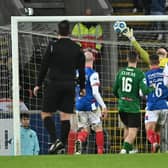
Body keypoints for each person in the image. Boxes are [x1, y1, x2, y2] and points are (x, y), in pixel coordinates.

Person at [33, 20, 86, 154]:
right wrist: (82, 86)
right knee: (65, 116)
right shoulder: (77, 47)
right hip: (69, 85)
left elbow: (44, 66)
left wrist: (38, 84)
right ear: (69, 32)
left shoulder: (52, 46)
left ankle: (55, 140)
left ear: (58, 31)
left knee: (45, 113)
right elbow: (82, 69)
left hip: (54, 83)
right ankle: (61, 145)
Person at [113, 52, 154, 154]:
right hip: (133, 107)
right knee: (133, 131)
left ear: (127, 59)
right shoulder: (140, 74)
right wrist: (152, 88)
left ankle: (129, 149)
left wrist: (121, 98)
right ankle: (124, 149)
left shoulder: (120, 72)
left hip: (122, 107)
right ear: (138, 60)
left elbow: (114, 90)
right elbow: (144, 91)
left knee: (127, 127)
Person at [74, 51, 107, 155]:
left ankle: (79, 142)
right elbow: (95, 92)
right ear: (93, 59)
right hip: (91, 105)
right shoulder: (93, 74)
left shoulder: (76, 72)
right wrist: (103, 106)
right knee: (98, 128)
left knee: (85, 130)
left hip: (79, 105)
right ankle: (100, 151)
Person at [145, 54, 168, 153]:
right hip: (164, 106)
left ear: (150, 63)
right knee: (157, 131)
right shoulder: (164, 73)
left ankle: (154, 144)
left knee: (149, 130)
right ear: (159, 62)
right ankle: (155, 153)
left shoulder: (146, 75)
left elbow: (142, 92)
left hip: (153, 106)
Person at [71, 8, 103, 73]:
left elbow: (100, 41)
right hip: (80, 57)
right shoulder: (78, 26)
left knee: (94, 75)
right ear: (84, 15)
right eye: (87, 15)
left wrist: (95, 51)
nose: (88, 17)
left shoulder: (97, 27)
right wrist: (81, 50)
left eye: (90, 15)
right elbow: (74, 40)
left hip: (94, 57)